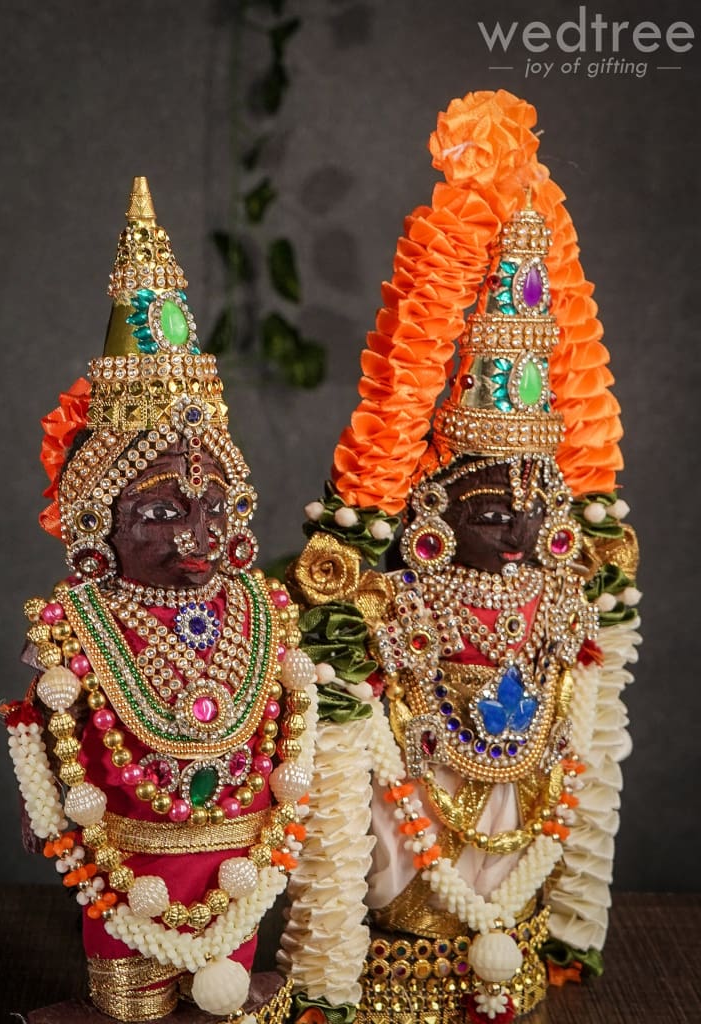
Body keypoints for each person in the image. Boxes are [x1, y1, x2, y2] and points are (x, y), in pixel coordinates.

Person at [281, 92, 640, 1024]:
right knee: (413, 835)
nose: (517, 527)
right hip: (424, 798)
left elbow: (586, 710)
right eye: (491, 508)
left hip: (519, 798)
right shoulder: (408, 590)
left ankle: (517, 930)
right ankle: (398, 952)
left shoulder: (558, 588)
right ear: (433, 517)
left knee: (519, 825)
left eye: (534, 506)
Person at [0, 178, 317, 1023]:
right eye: (161, 512)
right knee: (130, 1006)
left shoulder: (263, 608)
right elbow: (40, 719)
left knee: (230, 987)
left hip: (244, 851)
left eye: (213, 507)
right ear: (97, 524)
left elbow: (293, 711)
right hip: (124, 846)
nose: (196, 532)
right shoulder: (75, 619)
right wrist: (43, 804)